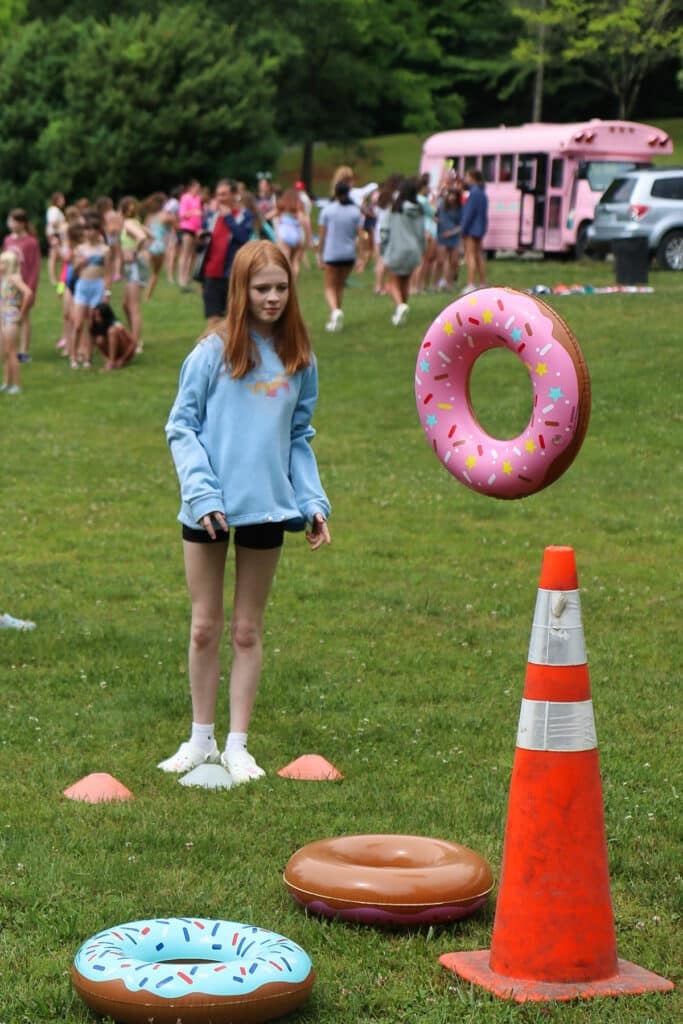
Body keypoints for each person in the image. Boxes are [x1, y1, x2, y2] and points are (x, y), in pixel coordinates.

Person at [160, 240, 331, 784]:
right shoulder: (211, 352)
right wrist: (204, 493)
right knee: (205, 628)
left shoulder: (300, 357)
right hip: (206, 509)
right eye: (261, 289)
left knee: (247, 632)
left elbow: (298, 437)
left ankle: (237, 746)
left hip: (266, 510)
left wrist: (312, 502)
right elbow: (180, 427)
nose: (273, 298)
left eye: (281, 288)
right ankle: (200, 740)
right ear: (240, 290)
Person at [197, 179, 253, 330]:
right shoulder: (212, 215)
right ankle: (209, 351)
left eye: (224, 194)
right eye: (218, 195)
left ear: (234, 195)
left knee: (234, 318)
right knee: (213, 318)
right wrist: (200, 237)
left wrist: (229, 218)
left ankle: (233, 350)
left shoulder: (243, 215)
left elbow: (244, 238)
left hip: (232, 272)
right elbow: (204, 240)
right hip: (211, 271)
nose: (220, 198)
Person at [378, 176, 425, 326]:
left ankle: (400, 306)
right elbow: (421, 233)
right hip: (413, 250)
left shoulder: (394, 210)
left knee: (393, 282)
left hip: (396, 249)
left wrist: (383, 248)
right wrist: (421, 249)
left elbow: (384, 231)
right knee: (405, 281)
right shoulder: (418, 210)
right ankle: (401, 312)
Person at [317, 180, 361, 332]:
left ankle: (335, 311)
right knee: (340, 286)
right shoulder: (355, 211)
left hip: (332, 253)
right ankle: (336, 319)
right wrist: (361, 255)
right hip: (349, 254)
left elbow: (322, 235)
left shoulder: (328, 211)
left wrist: (319, 254)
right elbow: (359, 234)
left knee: (329, 286)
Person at [70, 211, 111, 368]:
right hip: (82, 285)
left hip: (98, 285)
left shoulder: (104, 250)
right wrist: (80, 262)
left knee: (93, 324)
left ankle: (87, 356)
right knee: (78, 323)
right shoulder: (79, 249)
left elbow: (108, 273)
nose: (89, 232)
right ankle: (73, 356)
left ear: (97, 231)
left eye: (92, 229)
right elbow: (74, 271)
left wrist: (107, 292)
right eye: (86, 229)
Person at [2, 209, 40, 362]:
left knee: (23, 317)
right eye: (9, 220)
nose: (9, 224)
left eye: (13, 221)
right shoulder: (8, 240)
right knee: (7, 316)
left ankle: (23, 351)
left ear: (22, 223)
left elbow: (35, 265)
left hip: (23, 284)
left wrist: (30, 286)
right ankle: (9, 348)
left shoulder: (31, 242)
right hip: (8, 286)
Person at [119, 196, 151, 352]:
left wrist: (134, 251)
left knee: (133, 306)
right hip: (132, 266)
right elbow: (150, 235)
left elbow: (143, 237)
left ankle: (135, 343)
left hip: (134, 266)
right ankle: (133, 336)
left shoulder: (127, 223)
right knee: (126, 304)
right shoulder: (136, 222)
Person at [0, 250, 32, 395]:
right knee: (6, 352)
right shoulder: (4, 278)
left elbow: (28, 292)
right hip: (3, 315)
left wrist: (22, 313)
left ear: (9, 264)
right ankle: (6, 383)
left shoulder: (14, 278)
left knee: (12, 352)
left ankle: (17, 385)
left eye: (2, 262)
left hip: (11, 315)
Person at [460, 169, 489, 293]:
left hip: (471, 229)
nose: (465, 179)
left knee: (470, 256)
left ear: (473, 178)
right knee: (479, 256)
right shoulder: (483, 193)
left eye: (467, 176)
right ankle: (482, 282)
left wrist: (463, 229)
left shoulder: (474, 193)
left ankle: (471, 283)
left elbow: (469, 213)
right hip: (480, 228)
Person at [143, 192, 175, 300]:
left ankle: (137, 293)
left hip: (148, 245)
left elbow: (145, 230)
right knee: (155, 273)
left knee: (143, 271)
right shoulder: (166, 216)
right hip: (159, 246)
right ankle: (147, 297)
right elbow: (178, 227)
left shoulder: (149, 217)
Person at [90, 302, 136, 370]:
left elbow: (133, 343)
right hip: (111, 352)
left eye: (98, 316)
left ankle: (111, 363)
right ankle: (110, 361)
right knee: (99, 339)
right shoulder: (95, 325)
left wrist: (122, 360)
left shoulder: (116, 324)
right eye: (95, 316)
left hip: (124, 351)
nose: (96, 319)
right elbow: (96, 343)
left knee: (112, 331)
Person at [435, 181, 463, 291]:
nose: (452, 198)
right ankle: (441, 282)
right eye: (450, 195)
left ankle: (450, 282)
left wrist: (451, 232)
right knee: (443, 260)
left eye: (454, 196)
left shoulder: (460, 209)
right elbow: (435, 213)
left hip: (453, 236)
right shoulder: (442, 205)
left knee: (454, 261)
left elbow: (461, 224)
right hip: (442, 236)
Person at [177, 180, 203, 289]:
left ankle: (187, 276)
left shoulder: (198, 198)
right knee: (185, 253)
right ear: (191, 188)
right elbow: (182, 215)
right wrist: (193, 212)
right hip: (187, 228)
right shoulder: (185, 198)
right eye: (196, 188)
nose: (198, 190)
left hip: (196, 229)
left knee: (192, 254)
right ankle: (181, 278)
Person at [274, 187, 305, 278]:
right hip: (296, 234)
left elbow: (271, 214)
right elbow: (303, 219)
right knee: (295, 261)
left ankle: (287, 281)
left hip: (285, 235)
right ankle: (294, 282)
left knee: (285, 260)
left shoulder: (282, 208)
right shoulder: (299, 207)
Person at [45, 192, 65, 286]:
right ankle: (53, 279)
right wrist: (64, 226)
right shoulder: (54, 210)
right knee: (54, 256)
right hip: (55, 235)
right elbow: (53, 223)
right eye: (62, 199)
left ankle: (56, 278)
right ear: (57, 200)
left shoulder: (55, 210)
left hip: (55, 234)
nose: (63, 201)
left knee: (56, 256)